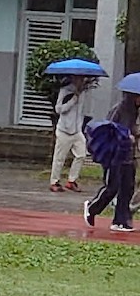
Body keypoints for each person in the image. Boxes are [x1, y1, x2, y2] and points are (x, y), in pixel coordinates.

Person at [84, 91, 140, 232]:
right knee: (112, 187)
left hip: (129, 155)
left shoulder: (135, 112)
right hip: (115, 155)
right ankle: (92, 207)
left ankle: (120, 221)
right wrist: (126, 136)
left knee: (127, 189)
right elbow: (110, 129)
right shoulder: (119, 110)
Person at [50, 75, 89, 193]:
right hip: (64, 130)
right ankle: (54, 181)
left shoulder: (83, 93)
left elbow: (81, 111)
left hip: (76, 130)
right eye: (80, 79)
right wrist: (72, 100)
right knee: (59, 157)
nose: (82, 81)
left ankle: (72, 180)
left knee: (81, 154)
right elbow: (58, 109)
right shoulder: (65, 91)